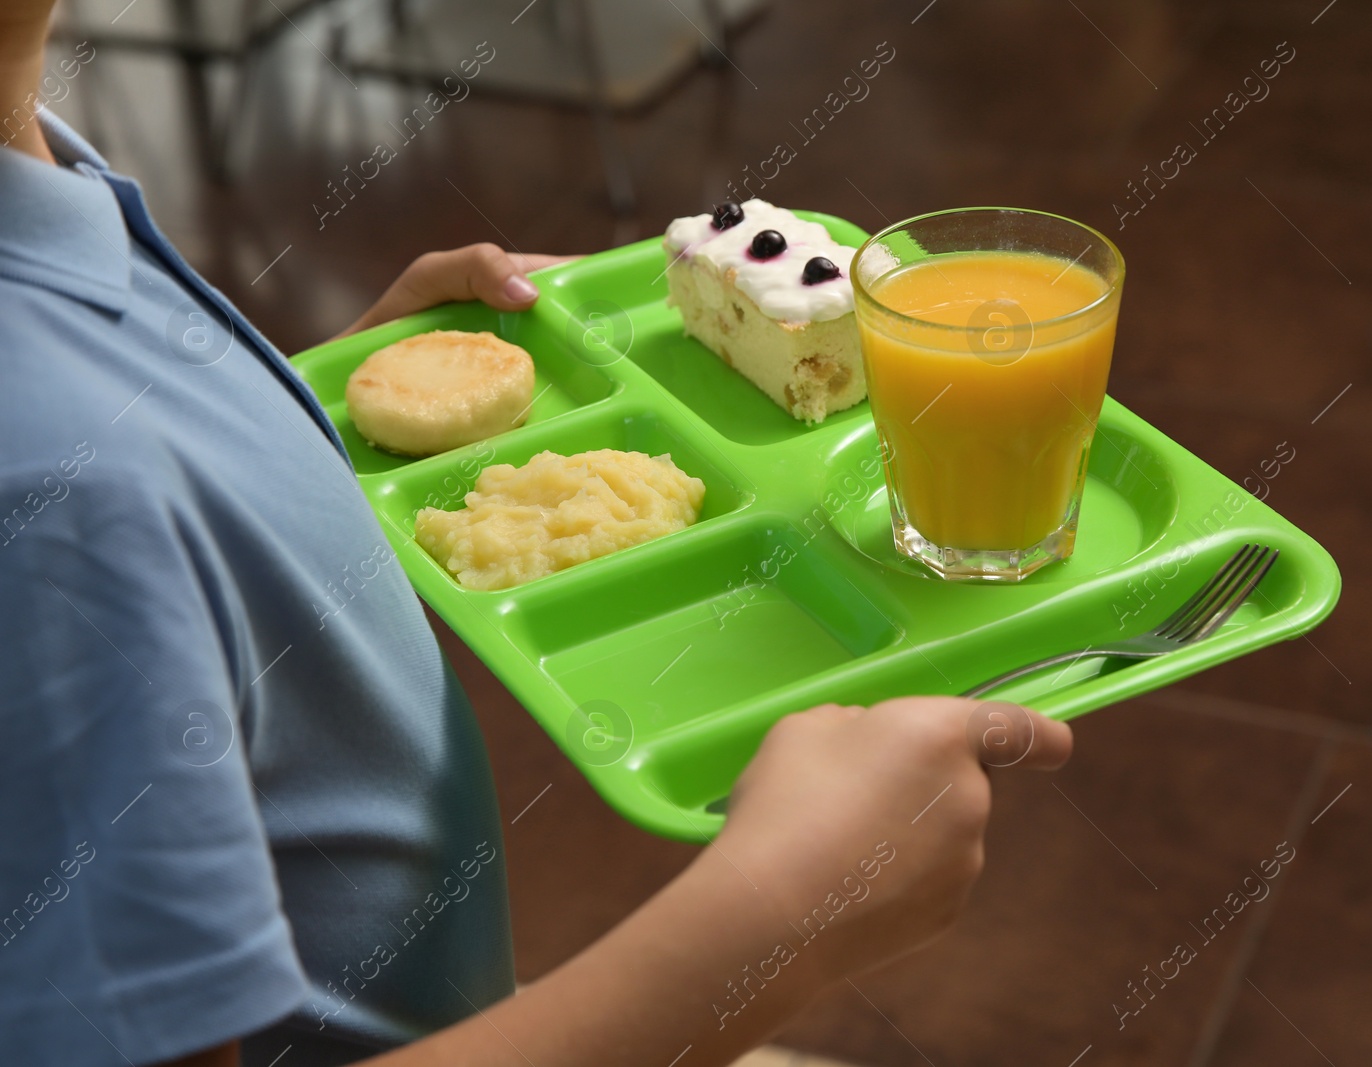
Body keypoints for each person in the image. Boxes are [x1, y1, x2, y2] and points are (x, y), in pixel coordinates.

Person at [0, 3, 1075, 1064]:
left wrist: (301, 414)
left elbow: (151, 509)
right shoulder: (54, 481)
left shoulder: (36, 158)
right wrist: (775, 922)